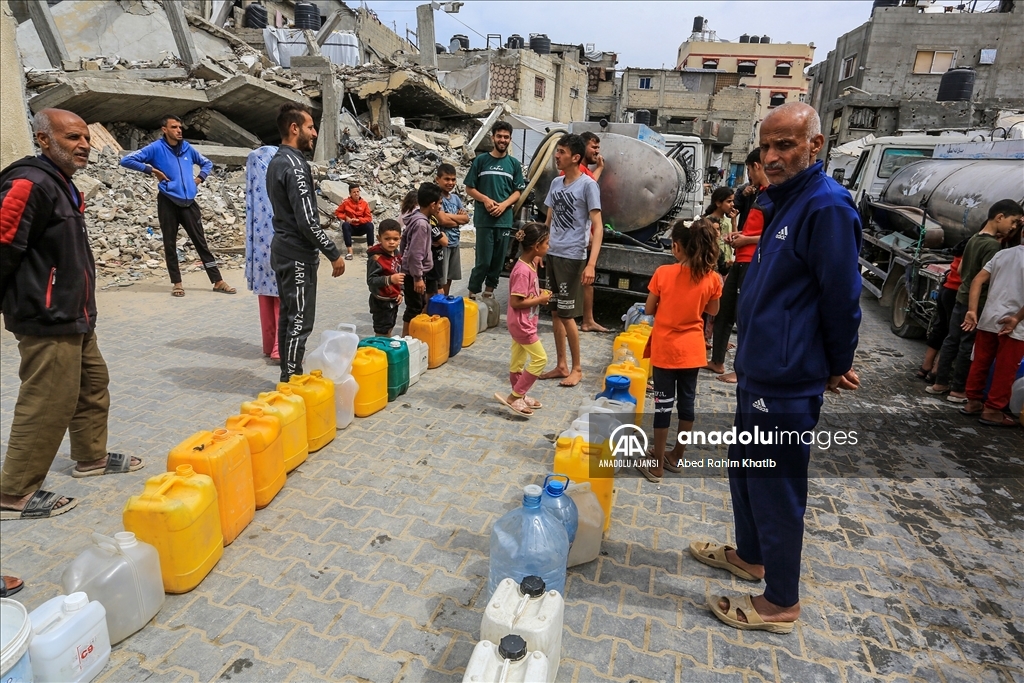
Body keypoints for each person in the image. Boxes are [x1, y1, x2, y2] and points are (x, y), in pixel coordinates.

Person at [691, 103, 862, 634]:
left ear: (816, 145)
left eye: (785, 145)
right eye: (767, 146)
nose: (773, 157)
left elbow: (842, 298)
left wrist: (836, 364)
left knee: (777, 485)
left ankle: (780, 601)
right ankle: (750, 555)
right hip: (760, 368)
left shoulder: (826, 207)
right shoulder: (780, 201)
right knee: (744, 467)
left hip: (788, 379)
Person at [1, 109, 143, 521]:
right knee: (48, 401)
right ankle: (13, 495)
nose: (84, 145)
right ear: (44, 141)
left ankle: (91, 458)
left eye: (85, 137)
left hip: (75, 313)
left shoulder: (59, 183)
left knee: (91, 386)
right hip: (47, 317)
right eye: (71, 138)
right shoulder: (29, 182)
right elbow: (3, 243)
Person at [266, 103, 346, 383]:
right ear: (294, 128)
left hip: (285, 250)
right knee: (299, 320)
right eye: (311, 127)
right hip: (297, 254)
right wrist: (333, 252)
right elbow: (307, 221)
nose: (314, 133)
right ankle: (290, 380)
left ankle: (288, 375)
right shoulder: (294, 166)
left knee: (290, 316)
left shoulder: (278, 161)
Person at [640, 218, 723, 483]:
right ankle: (676, 455)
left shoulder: (663, 274)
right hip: (692, 352)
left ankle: (656, 465)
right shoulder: (712, 278)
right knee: (687, 403)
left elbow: (650, 309)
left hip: (666, 350)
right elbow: (713, 311)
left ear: (676, 247)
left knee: (663, 405)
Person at [120, 114, 235, 297]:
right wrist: (152, 170)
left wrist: (199, 179)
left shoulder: (187, 148)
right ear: (164, 130)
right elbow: (126, 160)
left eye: (180, 127)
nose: (179, 130)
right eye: (174, 127)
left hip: (189, 202)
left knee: (201, 243)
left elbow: (207, 163)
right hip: (168, 201)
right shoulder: (156, 148)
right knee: (170, 243)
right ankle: (177, 283)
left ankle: (218, 281)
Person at [927, 200, 1023, 402]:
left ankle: (939, 383)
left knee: (952, 340)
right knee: (967, 346)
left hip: (960, 295)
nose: (1014, 227)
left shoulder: (973, 239)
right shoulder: (993, 247)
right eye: (1013, 222)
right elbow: (989, 279)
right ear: (999, 217)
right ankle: (958, 390)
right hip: (977, 304)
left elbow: (962, 271)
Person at [539, 134, 603, 388]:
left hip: (572, 258)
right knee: (555, 313)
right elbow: (548, 221)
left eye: (562, 152)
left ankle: (577, 369)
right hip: (553, 254)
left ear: (576, 157)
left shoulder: (588, 185)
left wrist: (591, 264)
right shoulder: (556, 183)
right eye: (557, 151)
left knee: (567, 315)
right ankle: (561, 364)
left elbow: (598, 228)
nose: (557, 156)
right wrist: (540, 251)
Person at [708, 150, 768, 381]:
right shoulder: (757, 195)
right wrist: (739, 235)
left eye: (750, 171)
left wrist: (746, 240)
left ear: (756, 166)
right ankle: (717, 362)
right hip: (740, 261)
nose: (749, 176)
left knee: (744, 315)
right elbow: (756, 230)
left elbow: (776, 236)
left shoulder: (773, 197)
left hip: (753, 262)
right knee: (724, 310)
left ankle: (741, 369)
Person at [961, 238, 1024, 427]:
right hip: (1014, 324)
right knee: (1006, 368)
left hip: (989, 317)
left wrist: (972, 310)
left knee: (981, 361)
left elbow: (977, 280)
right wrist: (1016, 319)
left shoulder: (1002, 254)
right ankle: (993, 410)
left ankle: (972, 402)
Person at [494, 223, 552, 417]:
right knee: (540, 359)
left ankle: (520, 394)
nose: (548, 247)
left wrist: (538, 293)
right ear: (536, 246)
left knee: (518, 360)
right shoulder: (522, 271)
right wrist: (541, 299)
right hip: (522, 323)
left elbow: (527, 294)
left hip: (523, 322)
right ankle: (514, 395)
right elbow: (516, 302)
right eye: (546, 243)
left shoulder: (531, 263)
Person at [465, 121, 526, 299]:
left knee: (498, 262)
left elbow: (518, 192)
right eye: (499, 136)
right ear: (492, 137)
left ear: (510, 139)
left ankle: (488, 297)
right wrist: (485, 199)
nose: (502, 140)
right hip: (484, 220)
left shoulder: (514, 165)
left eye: (506, 137)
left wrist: (504, 205)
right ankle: (472, 296)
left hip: (504, 220)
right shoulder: (481, 161)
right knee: (483, 261)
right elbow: (470, 188)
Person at [244, 145, 281, 360]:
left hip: (258, 248)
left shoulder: (254, 189)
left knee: (265, 300)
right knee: (281, 299)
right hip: (277, 246)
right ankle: (279, 348)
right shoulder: (277, 190)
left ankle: (269, 346)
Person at [916, 244, 965, 381]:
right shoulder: (983, 245)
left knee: (940, 327)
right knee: (952, 333)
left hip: (947, 289)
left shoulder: (966, 244)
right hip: (957, 292)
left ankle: (925, 367)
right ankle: (937, 370)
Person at [400, 183, 444, 336]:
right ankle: (407, 339)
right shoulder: (421, 224)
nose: (440, 207)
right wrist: (417, 277)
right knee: (414, 308)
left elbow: (404, 242)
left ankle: (411, 337)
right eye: (439, 203)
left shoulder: (417, 218)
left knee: (418, 305)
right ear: (432, 205)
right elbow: (415, 254)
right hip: (413, 274)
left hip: (412, 271)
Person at [578, 131, 609, 333]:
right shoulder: (574, 171)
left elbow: (589, 183)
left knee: (586, 281)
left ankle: (587, 319)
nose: (597, 151)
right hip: (579, 236)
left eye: (598, 148)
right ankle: (572, 320)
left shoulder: (585, 172)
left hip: (585, 233)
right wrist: (587, 231)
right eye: (593, 147)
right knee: (580, 279)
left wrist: (599, 169)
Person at [435, 163, 470, 295]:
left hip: (454, 242)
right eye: (447, 179)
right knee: (441, 277)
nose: (450, 182)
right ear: (437, 179)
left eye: (453, 179)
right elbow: (442, 220)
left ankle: (445, 299)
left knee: (450, 276)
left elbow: (466, 219)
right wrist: (457, 220)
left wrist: (450, 218)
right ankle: (438, 303)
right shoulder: (437, 197)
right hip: (442, 243)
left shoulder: (455, 198)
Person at [366, 220, 404, 336]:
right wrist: (390, 280)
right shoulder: (376, 258)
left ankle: (386, 348)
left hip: (393, 299)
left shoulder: (397, 254)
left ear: (400, 239)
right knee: (381, 331)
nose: (391, 242)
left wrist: (401, 292)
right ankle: (381, 350)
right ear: (379, 238)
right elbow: (371, 280)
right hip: (380, 301)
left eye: (395, 239)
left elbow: (400, 274)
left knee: (389, 327)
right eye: (387, 239)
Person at [335, 183, 374, 260]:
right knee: (345, 225)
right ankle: (350, 252)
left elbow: (369, 218)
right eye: (354, 192)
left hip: (360, 227)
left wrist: (359, 220)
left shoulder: (364, 203)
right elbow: (337, 212)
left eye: (357, 191)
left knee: (370, 225)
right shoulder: (346, 203)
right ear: (350, 194)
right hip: (351, 227)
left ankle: (370, 250)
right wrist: (346, 218)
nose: (356, 194)